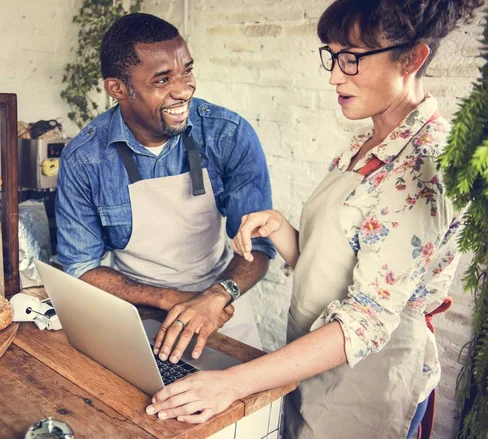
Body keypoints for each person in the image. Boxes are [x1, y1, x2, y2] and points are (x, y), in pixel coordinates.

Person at [145, 1, 484, 438]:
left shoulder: (422, 167)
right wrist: (280, 227)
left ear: (412, 58)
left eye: (352, 59)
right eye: (332, 55)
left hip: (367, 379)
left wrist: (232, 383)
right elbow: (337, 260)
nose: (334, 76)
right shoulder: (366, 142)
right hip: (313, 360)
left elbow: (367, 318)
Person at [55, 13, 276, 361]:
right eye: (162, 79)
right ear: (117, 89)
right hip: (137, 312)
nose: (184, 89)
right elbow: (81, 267)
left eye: (186, 70)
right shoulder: (84, 158)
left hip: (223, 310)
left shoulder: (227, 134)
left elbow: (258, 245)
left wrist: (217, 294)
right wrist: (166, 298)